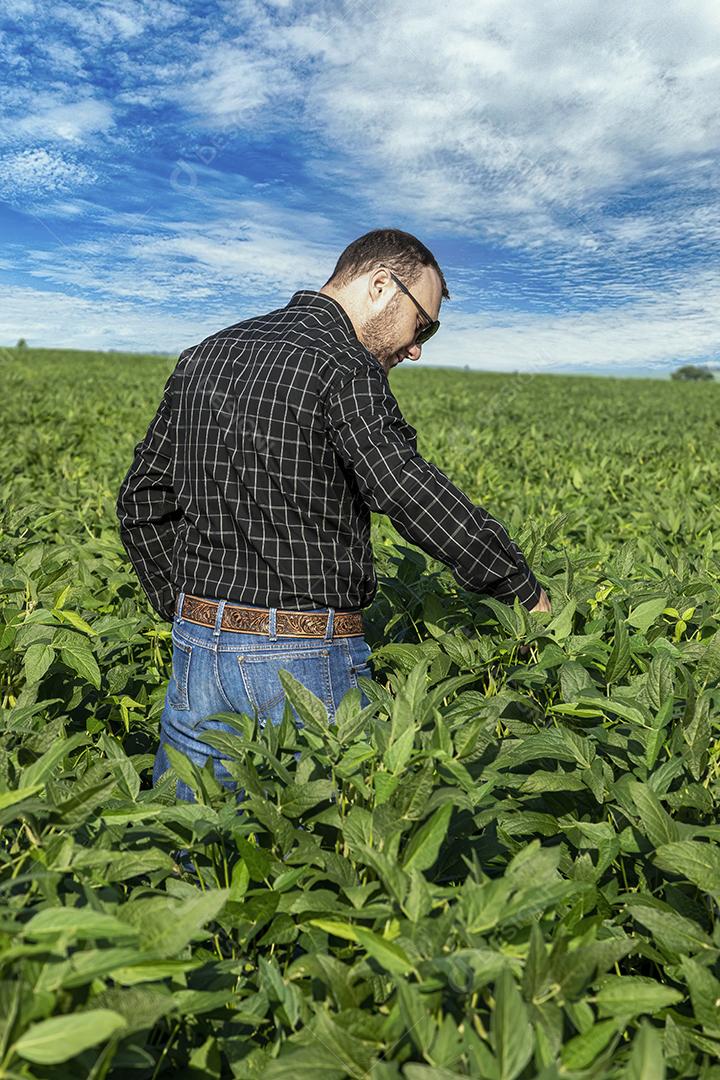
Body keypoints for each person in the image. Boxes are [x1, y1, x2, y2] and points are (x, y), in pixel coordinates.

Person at [116, 228, 551, 801]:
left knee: (186, 857)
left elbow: (141, 500)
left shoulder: (204, 355)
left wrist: (186, 605)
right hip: (302, 658)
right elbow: (407, 489)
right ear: (380, 285)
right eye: (423, 324)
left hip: (197, 647)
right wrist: (520, 588)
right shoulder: (344, 366)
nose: (417, 347)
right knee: (324, 857)